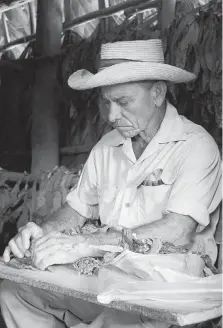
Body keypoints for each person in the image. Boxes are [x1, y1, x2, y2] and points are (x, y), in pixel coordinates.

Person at [0, 39, 221, 328]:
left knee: (117, 317)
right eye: (106, 102)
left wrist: (86, 243)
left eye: (123, 102)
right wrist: (41, 232)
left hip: (169, 287)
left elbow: (177, 231)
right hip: (106, 275)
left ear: (157, 93)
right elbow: (77, 210)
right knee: (15, 292)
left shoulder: (194, 146)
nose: (111, 116)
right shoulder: (106, 147)